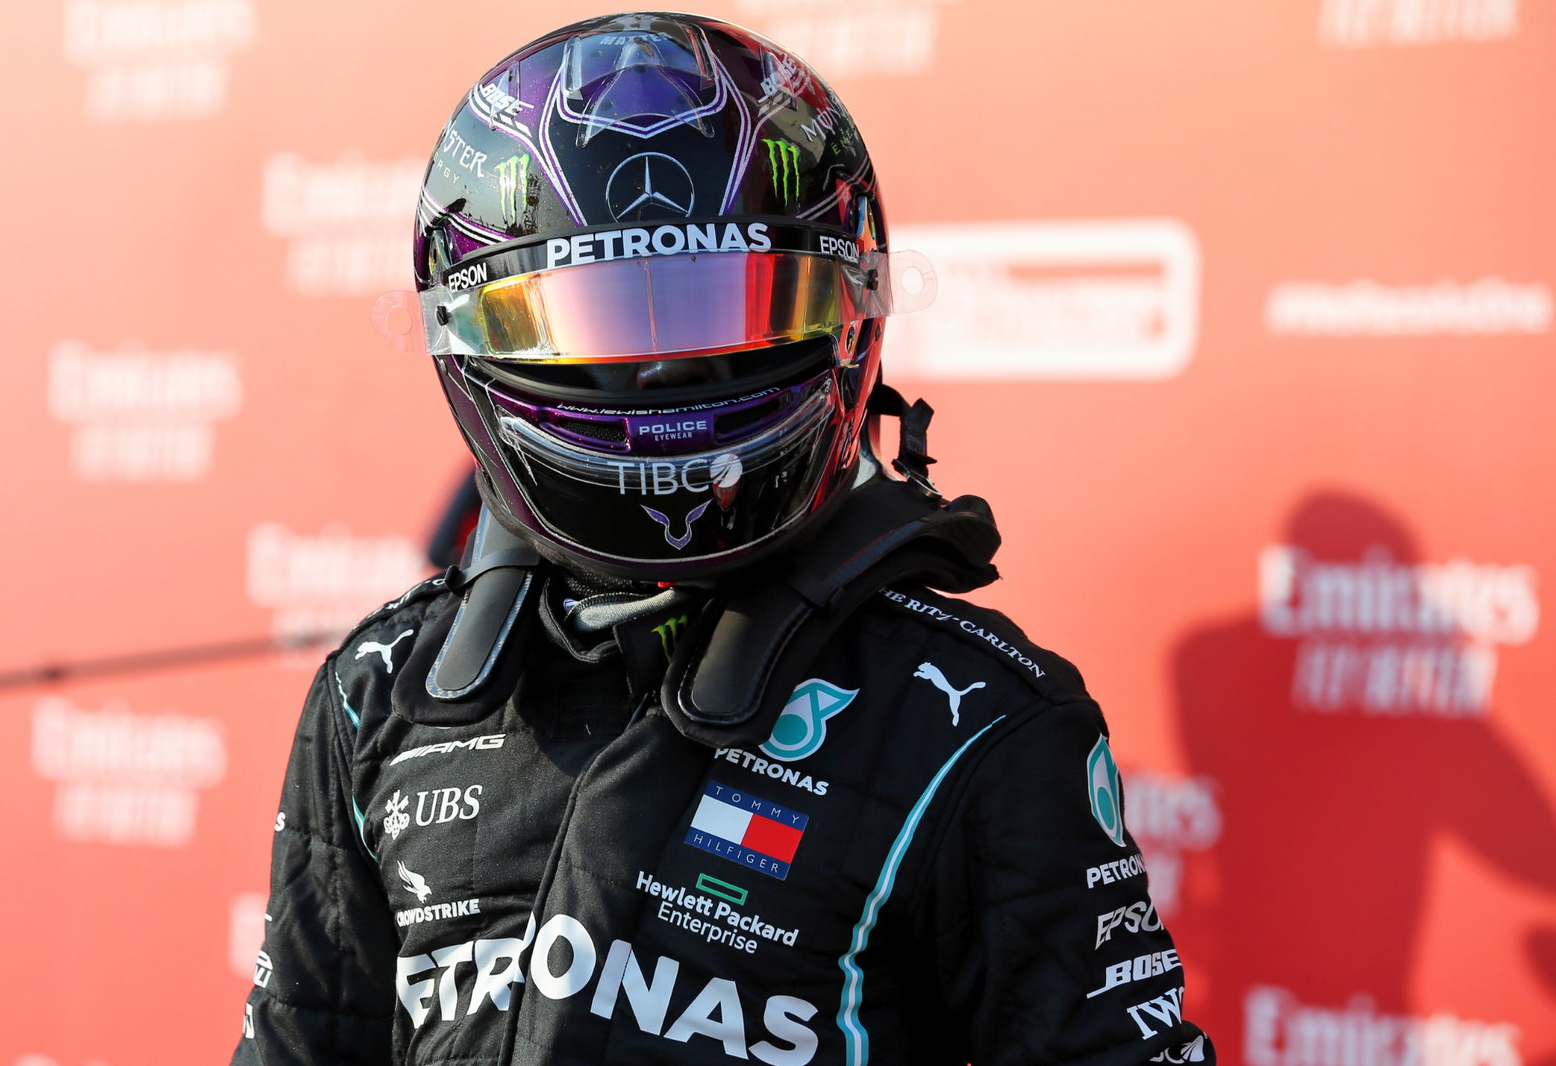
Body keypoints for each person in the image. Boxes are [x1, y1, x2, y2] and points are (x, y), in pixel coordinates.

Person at [232, 13, 1213, 1065]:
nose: (664, 371)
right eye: (603, 319)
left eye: (721, 305)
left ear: (841, 308)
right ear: (484, 334)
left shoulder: (973, 720)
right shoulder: (381, 690)